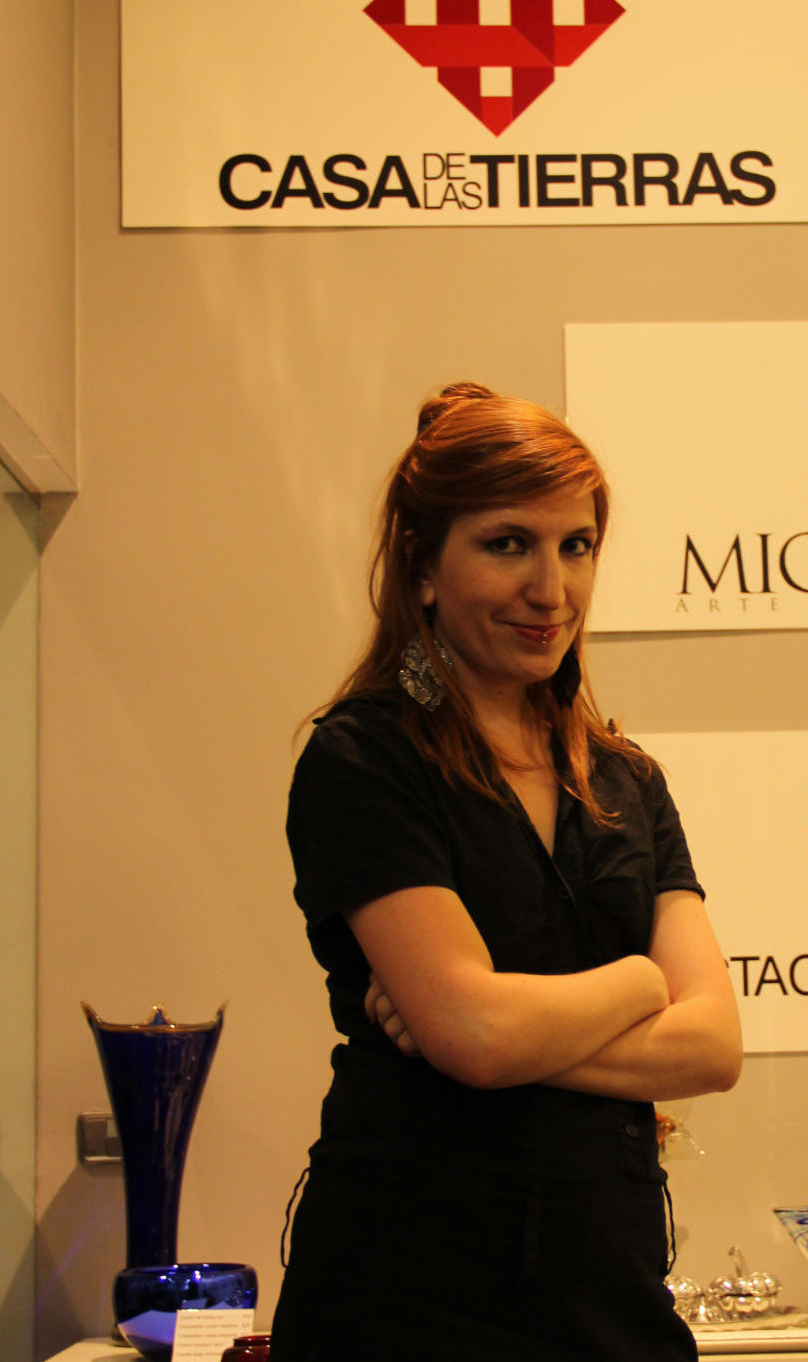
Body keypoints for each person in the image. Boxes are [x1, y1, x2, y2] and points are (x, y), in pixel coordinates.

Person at [271, 382, 742, 1360]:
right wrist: (639, 983)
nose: (551, 590)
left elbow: (711, 1049)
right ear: (422, 566)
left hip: (610, 1292)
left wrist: (472, 1031)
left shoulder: (626, 779)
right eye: (508, 544)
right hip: (406, 1297)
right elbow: (478, 1038)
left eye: (577, 546)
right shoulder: (364, 758)